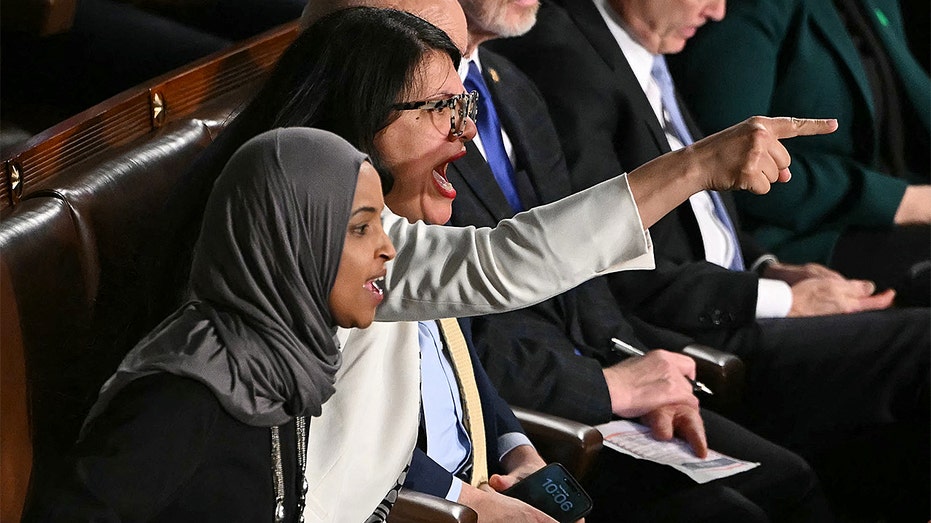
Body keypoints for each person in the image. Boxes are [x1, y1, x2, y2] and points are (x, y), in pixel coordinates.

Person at [489, 0, 930, 519]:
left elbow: (703, 221)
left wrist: (769, 268)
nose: (719, 11)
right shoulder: (564, 60)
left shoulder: (643, 48)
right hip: (688, 330)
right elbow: (611, 264)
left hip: (710, 302)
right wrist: (780, 299)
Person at [25, 127, 397, 521]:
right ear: (290, 240)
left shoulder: (285, 365)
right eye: (360, 228)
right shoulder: (183, 400)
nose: (387, 248)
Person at [668, 0, 930, 300]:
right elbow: (734, 162)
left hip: (878, 217)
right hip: (796, 237)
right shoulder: (748, 8)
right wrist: (900, 201)